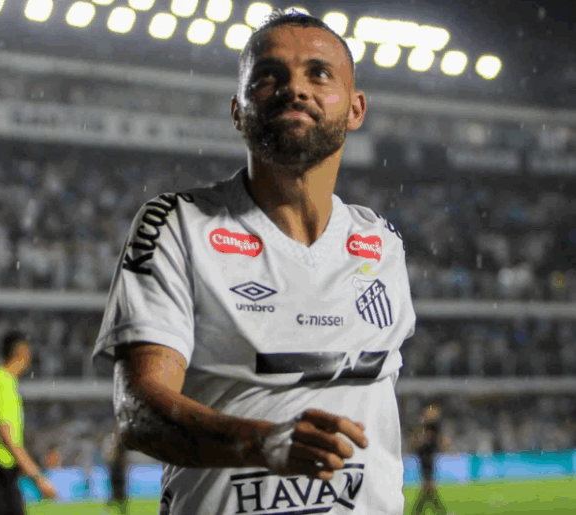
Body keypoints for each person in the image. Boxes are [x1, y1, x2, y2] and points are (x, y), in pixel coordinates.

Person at [93, 10, 416, 515]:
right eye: (269, 76)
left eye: (319, 73)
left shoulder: (381, 243)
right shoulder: (178, 225)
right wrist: (260, 442)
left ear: (355, 109)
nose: (295, 88)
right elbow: (139, 411)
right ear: (238, 111)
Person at [0, 331, 57, 514]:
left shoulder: (5, 382)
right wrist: (38, 477)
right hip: (0, 475)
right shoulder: (3, 383)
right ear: (23, 352)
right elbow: (7, 436)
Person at [410, 403, 453, 515]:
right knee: (428, 489)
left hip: (428, 458)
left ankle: (419, 512)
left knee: (428, 490)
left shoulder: (432, 429)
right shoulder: (424, 430)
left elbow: (440, 442)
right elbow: (417, 444)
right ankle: (439, 512)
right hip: (425, 458)